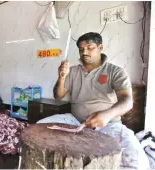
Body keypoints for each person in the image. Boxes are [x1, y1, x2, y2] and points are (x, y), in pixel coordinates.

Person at [37, 32, 149, 168]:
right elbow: (58, 96)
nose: (84, 52)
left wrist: (107, 114)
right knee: (39, 128)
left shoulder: (115, 71)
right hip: (75, 121)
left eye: (90, 47)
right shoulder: (72, 71)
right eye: (81, 49)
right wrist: (61, 76)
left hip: (108, 124)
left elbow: (127, 101)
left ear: (100, 48)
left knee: (137, 159)